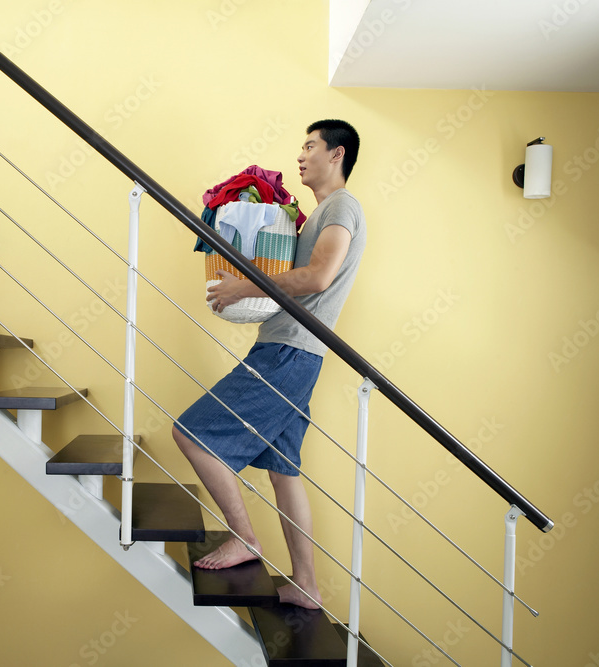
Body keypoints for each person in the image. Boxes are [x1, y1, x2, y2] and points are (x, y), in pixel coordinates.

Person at [172, 119, 366, 609]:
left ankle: (244, 538)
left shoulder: (341, 207)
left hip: (289, 353)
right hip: (292, 351)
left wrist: (244, 285)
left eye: (310, 146)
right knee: (284, 469)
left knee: (191, 434)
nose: (301, 156)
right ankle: (307, 586)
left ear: (337, 154)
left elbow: (318, 277)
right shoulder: (321, 212)